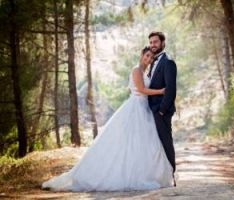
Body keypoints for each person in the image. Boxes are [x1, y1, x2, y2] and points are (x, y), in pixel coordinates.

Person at [41, 47, 173, 192]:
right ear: (142, 55)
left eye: (151, 58)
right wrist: (160, 91)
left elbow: (136, 89)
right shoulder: (136, 70)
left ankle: (143, 172)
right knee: (128, 142)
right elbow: (141, 90)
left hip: (143, 107)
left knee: (141, 142)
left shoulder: (145, 72)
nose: (148, 59)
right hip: (135, 107)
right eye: (147, 56)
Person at [147, 32, 177, 186]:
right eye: (151, 42)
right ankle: (160, 174)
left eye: (156, 42)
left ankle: (171, 174)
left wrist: (162, 110)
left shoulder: (168, 61)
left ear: (163, 43)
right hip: (152, 110)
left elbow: (171, 89)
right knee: (157, 143)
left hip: (161, 111)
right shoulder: (153, 62)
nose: (153, 45)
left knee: (166, 142)